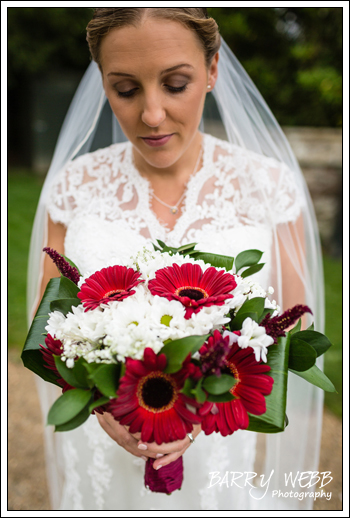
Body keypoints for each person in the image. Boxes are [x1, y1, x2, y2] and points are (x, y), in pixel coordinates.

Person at [27, 8, 324, 511]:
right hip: (104, 445)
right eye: (125, 89)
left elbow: (288, 334)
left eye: (176, 83)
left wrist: (199, 407)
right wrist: (102, 404)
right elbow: (49, 331)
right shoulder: (74, 187)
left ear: (211, 71)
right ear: (103, 85)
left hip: (219, 441)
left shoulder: (267, 186)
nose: (152, 114)